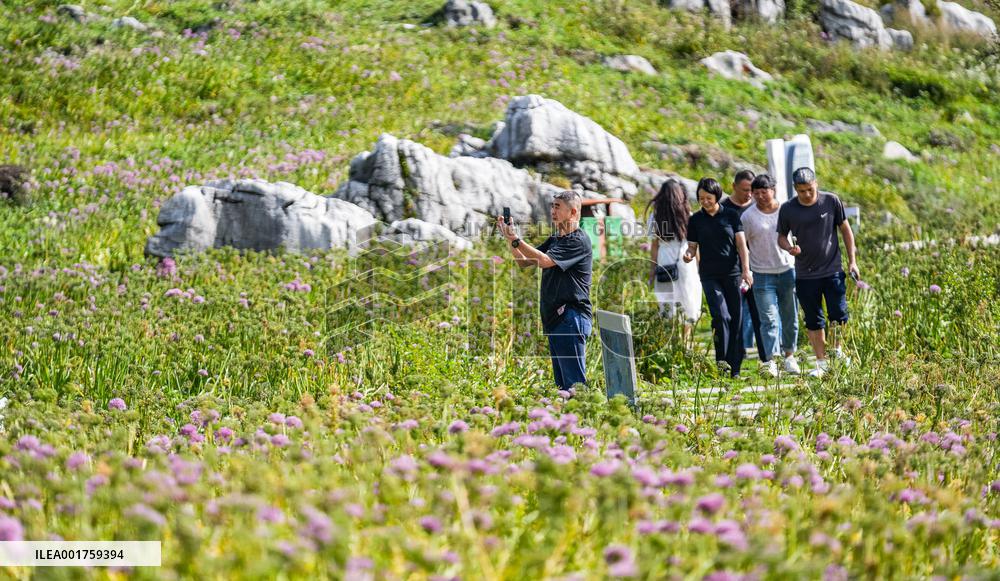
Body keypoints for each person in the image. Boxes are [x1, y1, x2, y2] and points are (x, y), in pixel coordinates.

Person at [498, 190, 593, 390]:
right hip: (557, 320)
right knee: (563, 388)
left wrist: (516, 239)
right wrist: (510, 239)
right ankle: (569, 421)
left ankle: (584, 420)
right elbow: (524, 262)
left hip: (571, 319)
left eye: (557, 207)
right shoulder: (556, 239)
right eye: (552, 206)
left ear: (573, 212)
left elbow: (543, 261)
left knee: (575, 387)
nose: (552, 211)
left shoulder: (578, 240)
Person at [777, 167, 859, 378]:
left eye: (810, 189)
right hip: (805, 274)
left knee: (838, 315)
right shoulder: (787, 209)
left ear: (816, 184)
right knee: (813, 320)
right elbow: (781, 237)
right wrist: (789, 248)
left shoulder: (831, 201)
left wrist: (852, 262)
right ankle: (822, 362)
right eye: (802, 190)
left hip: (832, 269)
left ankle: (837, 351)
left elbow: (846, 231)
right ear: (795, 189)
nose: (806, 194)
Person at [684, 178, 753, 378]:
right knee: (721, 317)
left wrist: (746, 270)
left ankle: (735, 369)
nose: (704, 201)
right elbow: (692, 246)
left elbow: (741, 246)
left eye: (708, 198)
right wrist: (688, 255)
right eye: (701, 198)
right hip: (709, 275)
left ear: (717, 196)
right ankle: (722, 365)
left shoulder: (731, 216)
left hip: (732, 273)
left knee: (736, 319)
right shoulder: (695, 220)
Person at [742, 174, 800, 377]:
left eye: (764, 192)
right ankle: (772, 360)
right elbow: (743, 245)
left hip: (787, 270)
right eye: (755, 193)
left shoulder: (786, 211)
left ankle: (789, 356)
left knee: (789, 316)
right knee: (768, 320)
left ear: (773, 190)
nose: (760, 196)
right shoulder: (748, 217)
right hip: (762, 274)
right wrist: (746, 269)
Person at [721, 169, 766, 366]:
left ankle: (768, 359)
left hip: (758, 269)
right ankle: (735, 361)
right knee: (736, 318)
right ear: (733, 186)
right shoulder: (723, 209)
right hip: (733, 272)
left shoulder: (758, 208)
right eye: (745, 190)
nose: (749, 194)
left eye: (752, 190)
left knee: (760, 316)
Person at [645, 179, 701, 336]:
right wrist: (699, 266)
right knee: (688, 299)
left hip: (664, 260)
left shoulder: (654, 217)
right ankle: (685, 340)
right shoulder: (688, 216)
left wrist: (652, 271)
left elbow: (654, 246)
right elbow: (694, 244)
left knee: (667, 301)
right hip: (685, 261)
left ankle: (672, 340)